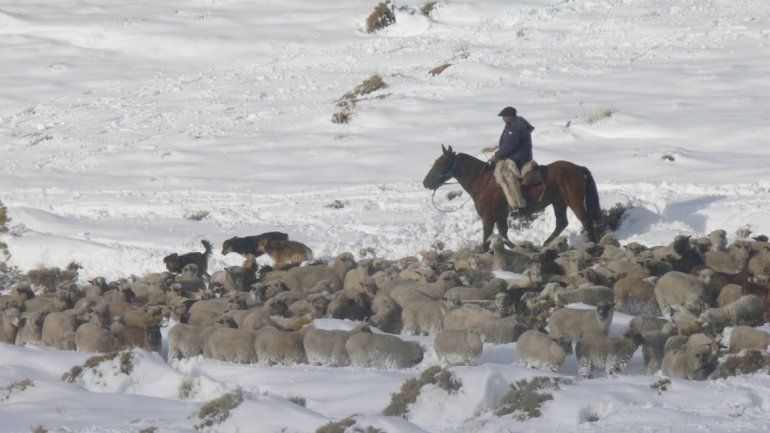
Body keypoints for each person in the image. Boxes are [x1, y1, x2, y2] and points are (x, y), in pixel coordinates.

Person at [489, 106, 534, 216]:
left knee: (506, 175)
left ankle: (518, 206)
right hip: (513, 157)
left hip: (519, 158)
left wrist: (497, 155)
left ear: (509, 116)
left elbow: (510, 145)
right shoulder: (512, 125)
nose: (503, 119)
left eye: (504, 116)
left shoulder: (516, 127)